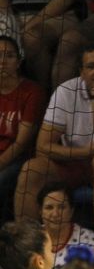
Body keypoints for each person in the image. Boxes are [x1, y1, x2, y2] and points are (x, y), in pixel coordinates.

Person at [16, 45, 94, 242]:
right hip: (73, 161)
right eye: (91, 66)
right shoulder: (66, 91)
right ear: (82, 72)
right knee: (31, 169)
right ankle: (25, 243)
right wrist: (84, 151)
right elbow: (43, 146)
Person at [0, 36, 42, 214]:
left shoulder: (32, 92)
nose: (2, 61)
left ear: (18, 62)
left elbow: (21, 143)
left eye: (9, 56)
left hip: (18, 159)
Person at [36, 183, 94, 269]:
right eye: (49, 207)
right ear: (40, 212)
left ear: (71, 211)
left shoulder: (88, 241)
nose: (55, 214)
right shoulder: (31, 238)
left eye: (61, 207)